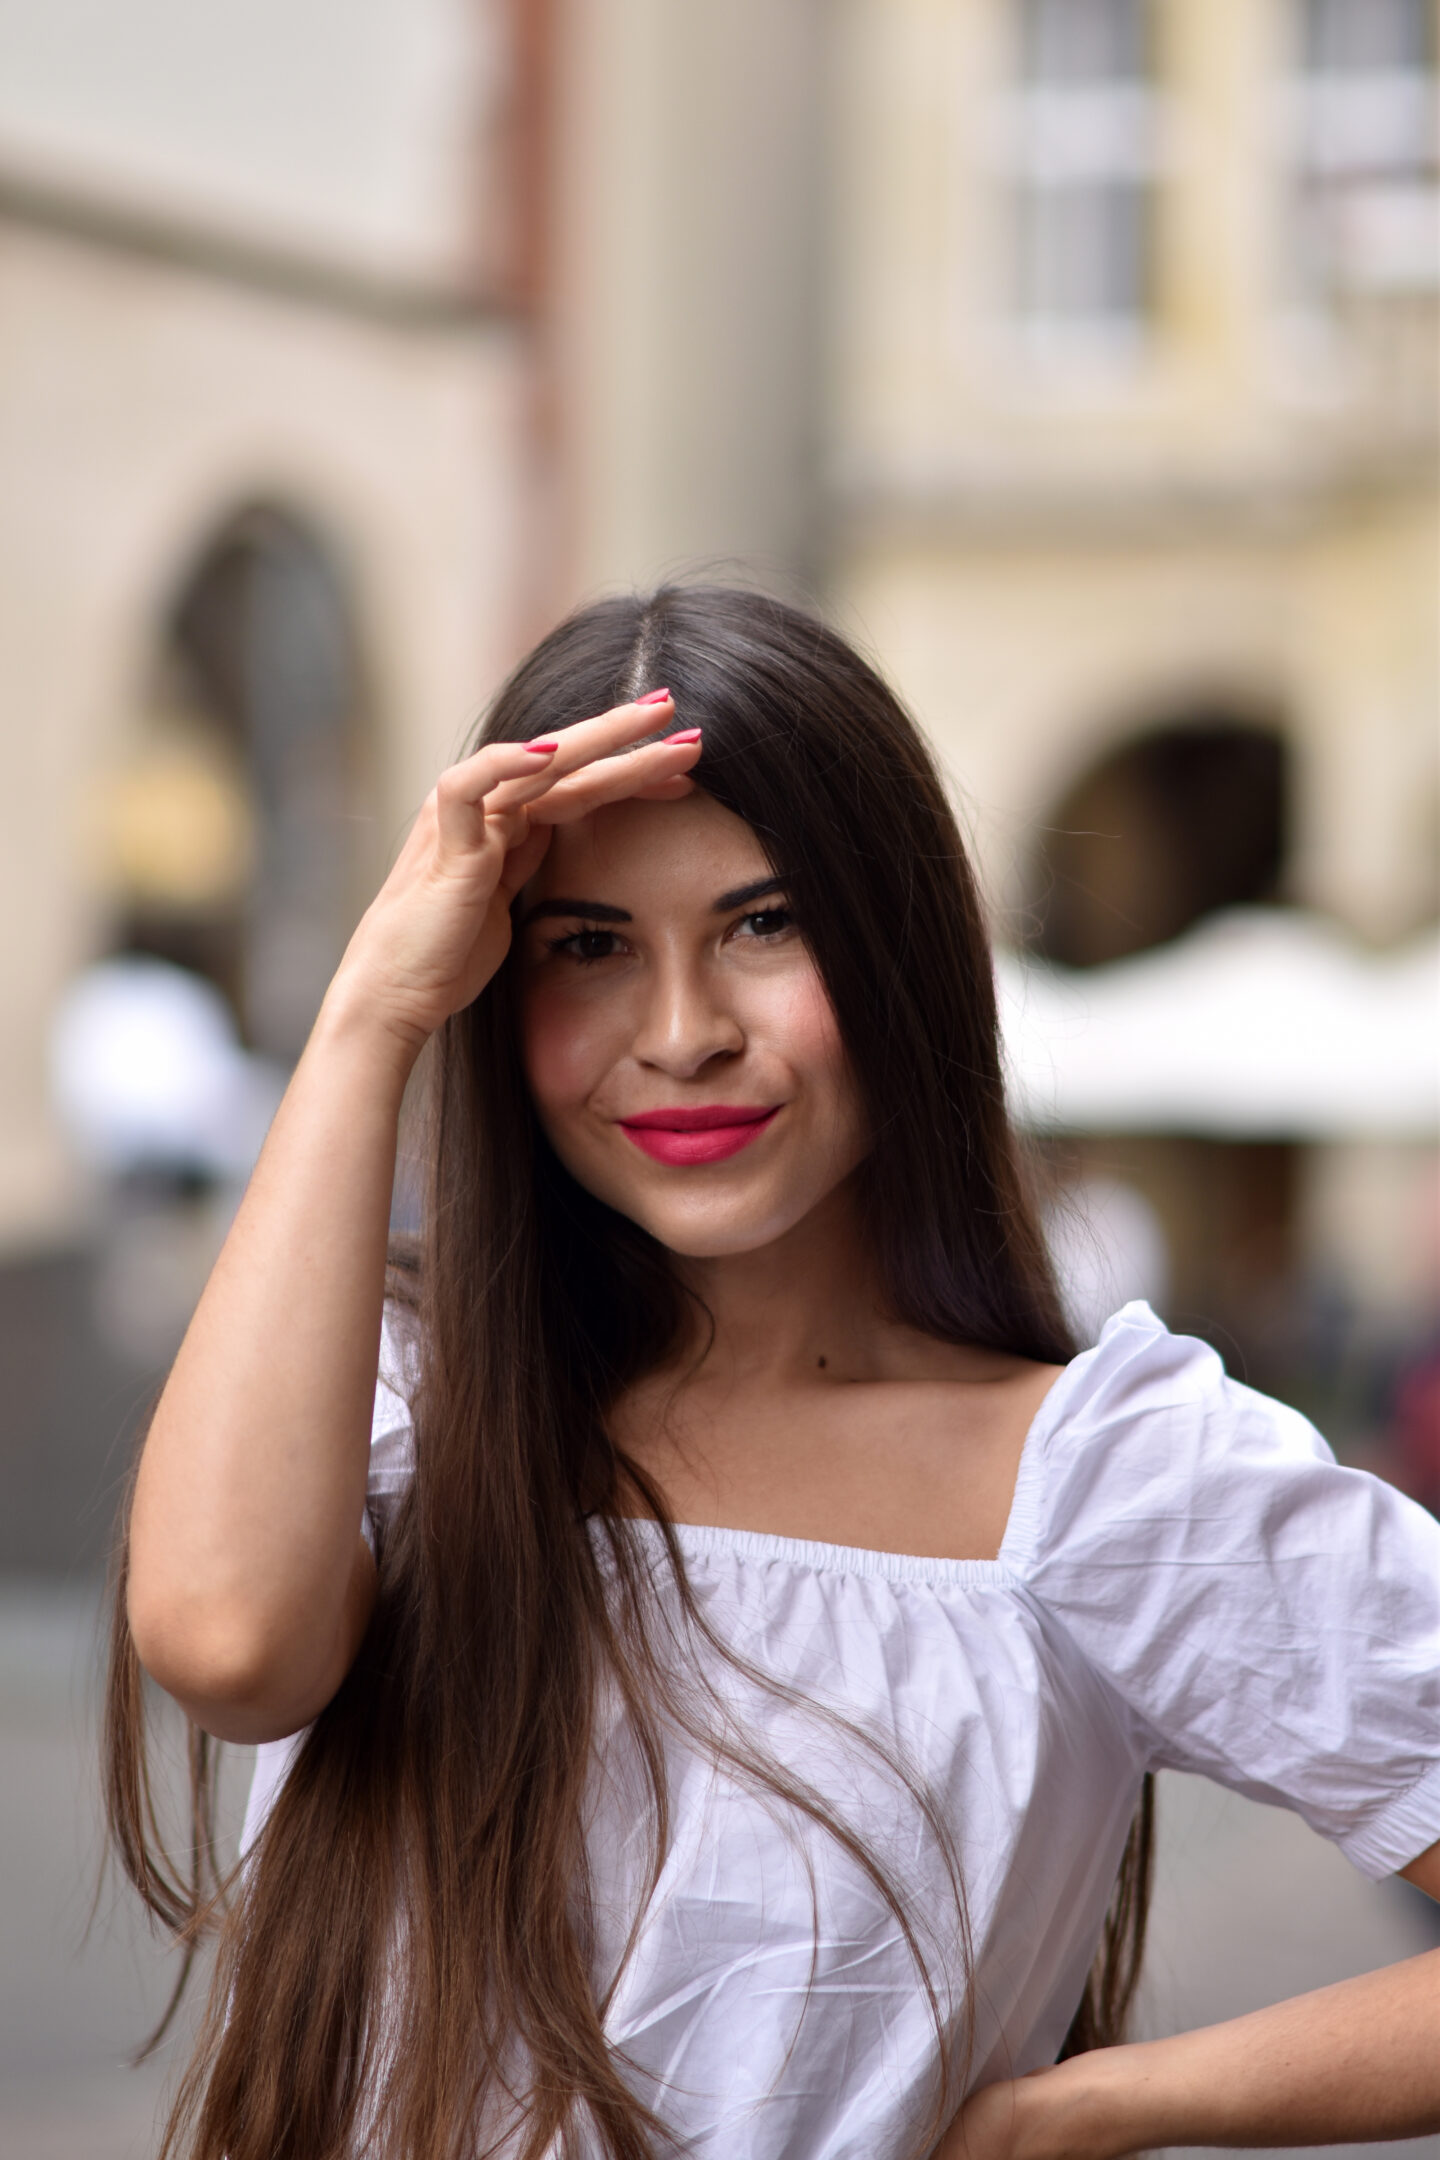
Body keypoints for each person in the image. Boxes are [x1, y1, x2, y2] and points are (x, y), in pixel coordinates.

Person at [110, 587, 1440, 2160]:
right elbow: (227, 1641)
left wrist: (1096, 2109)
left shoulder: (1101, 1479)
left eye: (767, 924)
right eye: (586, 947)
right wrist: (371, 1012)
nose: (681, 1034)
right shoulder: (401, 1395)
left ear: (901, 948)